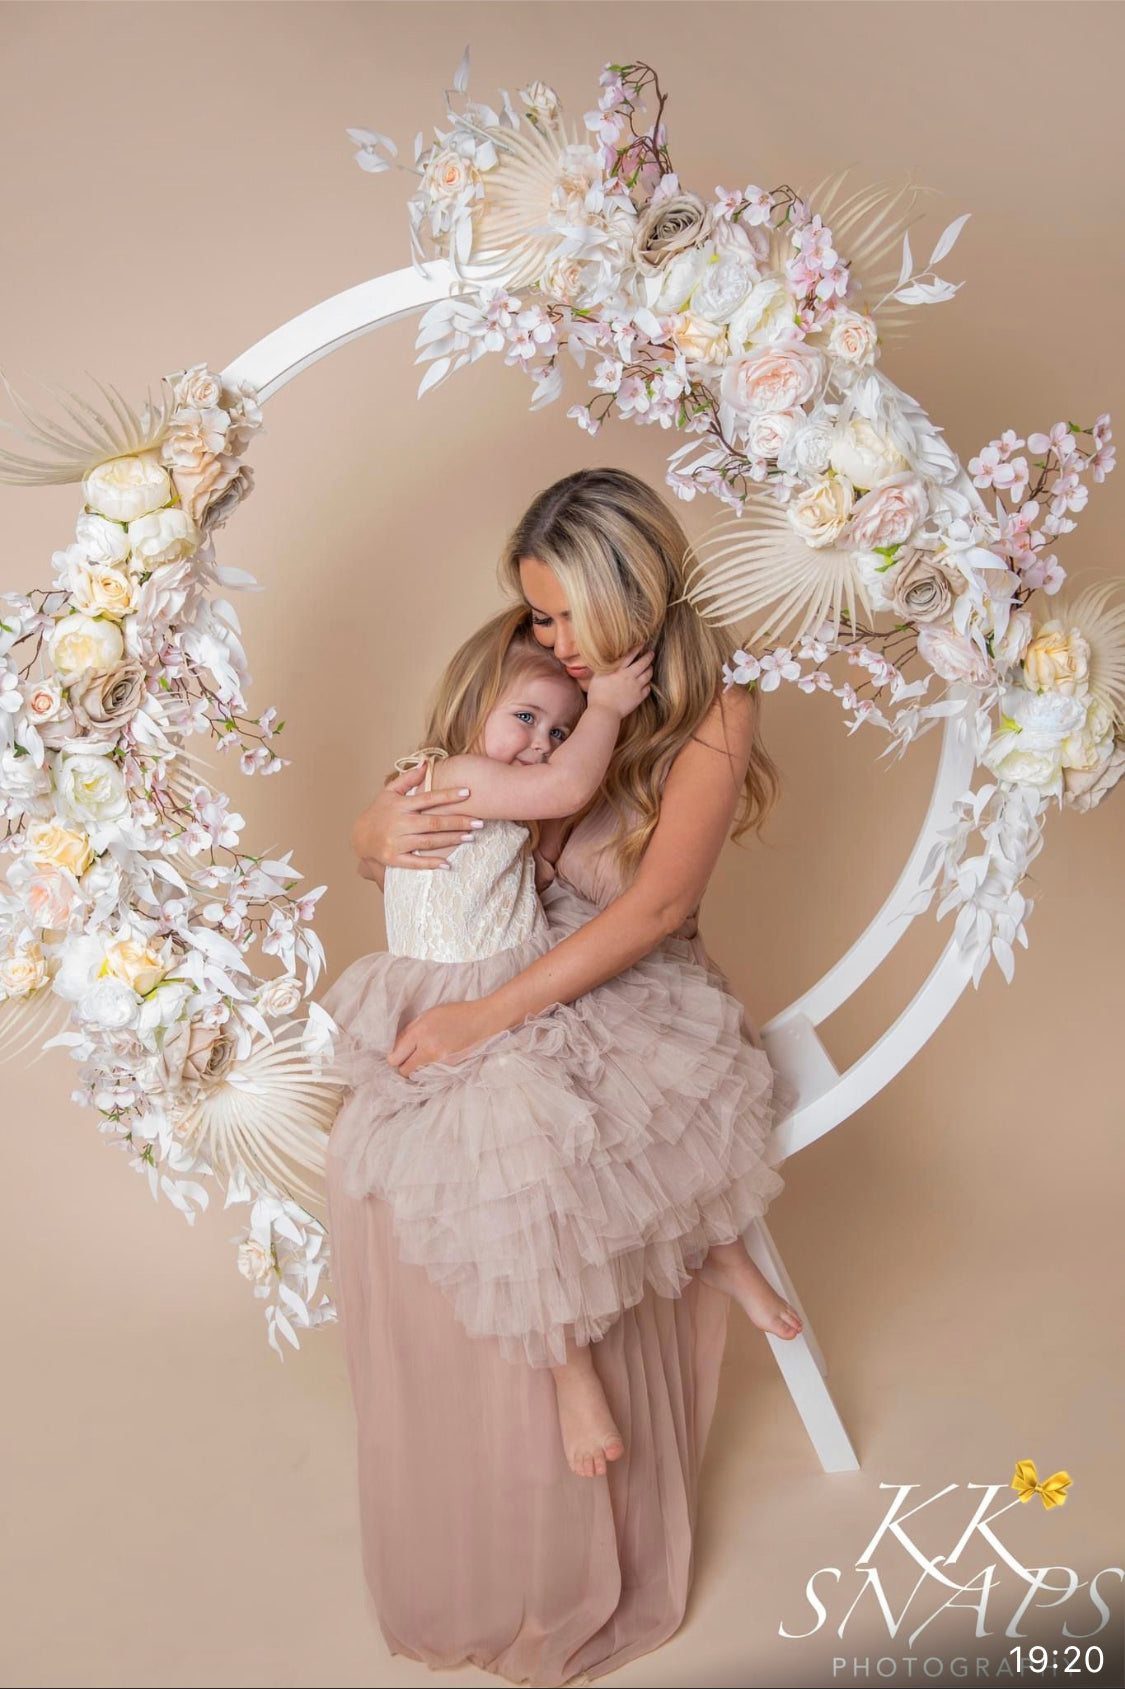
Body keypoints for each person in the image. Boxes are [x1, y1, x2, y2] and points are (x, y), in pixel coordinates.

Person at [323, 466, 800, 1688]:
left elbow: (657, 905)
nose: (551, 645)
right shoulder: (544, 698)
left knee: (502, 1136)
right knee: (397, 1154)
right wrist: (377, 832)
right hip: (520, 983)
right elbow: (453, 840)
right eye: (535, 620)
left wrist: (484, 1016)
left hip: (613, 991)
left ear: (629, 592)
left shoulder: (710, 706)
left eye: (566, 617)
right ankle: (487, 1495)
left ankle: (687, 1291)